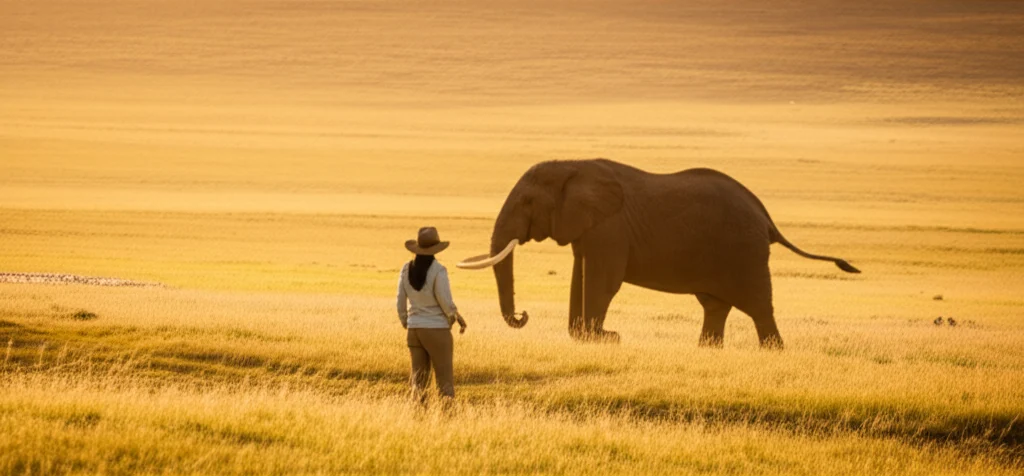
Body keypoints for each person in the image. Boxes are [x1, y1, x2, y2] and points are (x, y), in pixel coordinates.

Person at [396, 226, 467, 406]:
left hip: (414, 330)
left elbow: (400, 301)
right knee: (445, 383)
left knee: (418, 383)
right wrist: (453, 317)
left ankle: (418, 419)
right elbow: (445, 300)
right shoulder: (438, 270)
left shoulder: (406, 269)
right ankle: (447, 420)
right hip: (437, 330)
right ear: (436, 248)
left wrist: (407, 321)